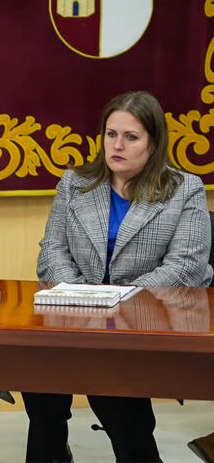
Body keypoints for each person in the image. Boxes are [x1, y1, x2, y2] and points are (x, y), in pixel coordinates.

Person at [23, 90, 213, 463]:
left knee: (114, 389)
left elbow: (186, 267)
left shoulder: (183, 190)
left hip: (151, 323)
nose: (117, 145)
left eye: (131, 137)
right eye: (111, 134)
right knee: (38, 370)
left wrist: (118, 303)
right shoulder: (75, 184)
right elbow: (52, 254)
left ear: (153, 143)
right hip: (79, 321)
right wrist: (85, 302)